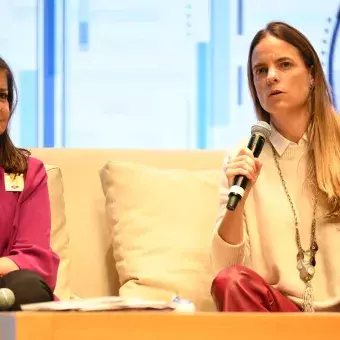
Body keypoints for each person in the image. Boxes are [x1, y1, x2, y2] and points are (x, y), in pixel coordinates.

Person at [210, 21, 340, 313]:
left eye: (284, 65)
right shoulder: (242, 158)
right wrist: (238, 203)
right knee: (231, 282)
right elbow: (223, 272)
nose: (271, 77)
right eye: (260, 70)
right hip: (280, 314)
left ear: (312, 76)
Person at [0, 56, 59, 310]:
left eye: (2, 96)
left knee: (28, 287)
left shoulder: (28, 174)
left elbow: (34, 258)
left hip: (10, 293)